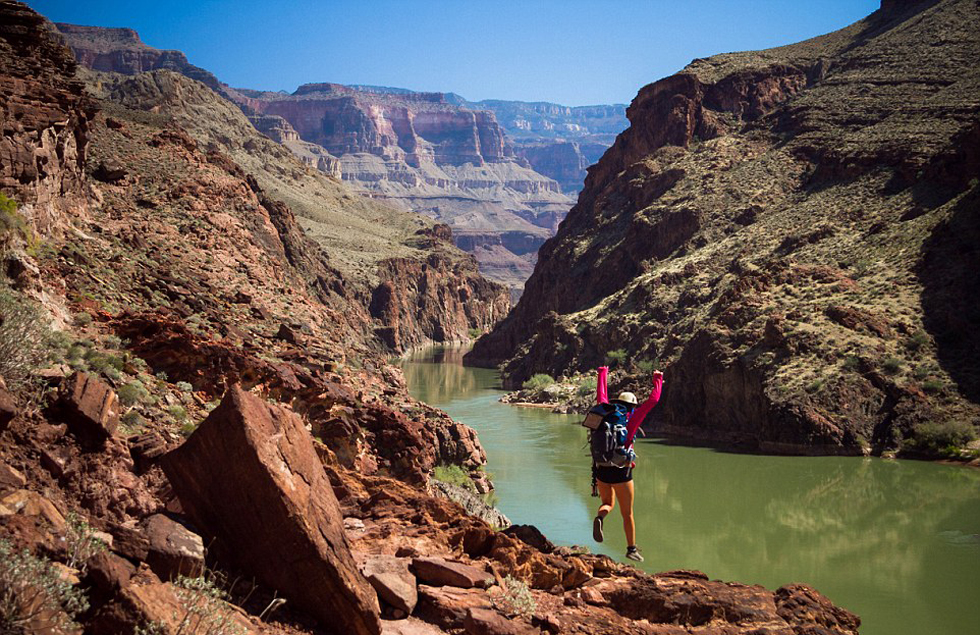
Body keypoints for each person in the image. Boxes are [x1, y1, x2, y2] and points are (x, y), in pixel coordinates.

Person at [591, 365, 663, 562]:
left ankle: (600, 517)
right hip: (622, 473)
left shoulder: (605, 413)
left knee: (607, 503)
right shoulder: (631, 421)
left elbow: (601, 394)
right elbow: (653, 401)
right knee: (627, 513)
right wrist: (658, 379)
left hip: (601, 469)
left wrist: (602, 373)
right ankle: (631, 549)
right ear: (632, 406)